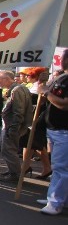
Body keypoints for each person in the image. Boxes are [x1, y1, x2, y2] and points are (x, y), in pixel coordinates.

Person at [40, 48, 68, 215]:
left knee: (61, 167)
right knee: (58, 166)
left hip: (64, 130)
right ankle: (56, 197)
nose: (61, 59)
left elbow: (64, 104)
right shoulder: (62, 77)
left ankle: (56, 202)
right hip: (54, 129)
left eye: (64, 57)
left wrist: (46, 92)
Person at [0, 70, 32, 183]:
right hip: (11, 124)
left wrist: (13, 128)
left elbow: (19, 111)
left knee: (9, 149)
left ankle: (15, 174)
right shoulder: (17, 89)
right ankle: (13, 170)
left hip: (12, 125)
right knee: (7, 149)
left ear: (6, 79)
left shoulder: (17, 90)